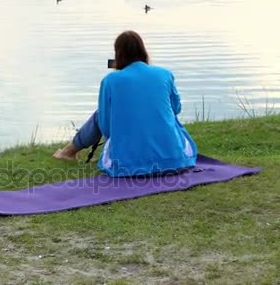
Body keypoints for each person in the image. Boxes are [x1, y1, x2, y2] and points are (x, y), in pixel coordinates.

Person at [53, 30, 197, 177]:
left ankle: (69, 152)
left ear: (118, 54)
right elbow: (176, 108)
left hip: (126, 166)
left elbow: (105, 126)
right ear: (143, 50)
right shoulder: (165, 74)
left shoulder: (110, 80)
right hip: (174, 161)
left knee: (100, 114)